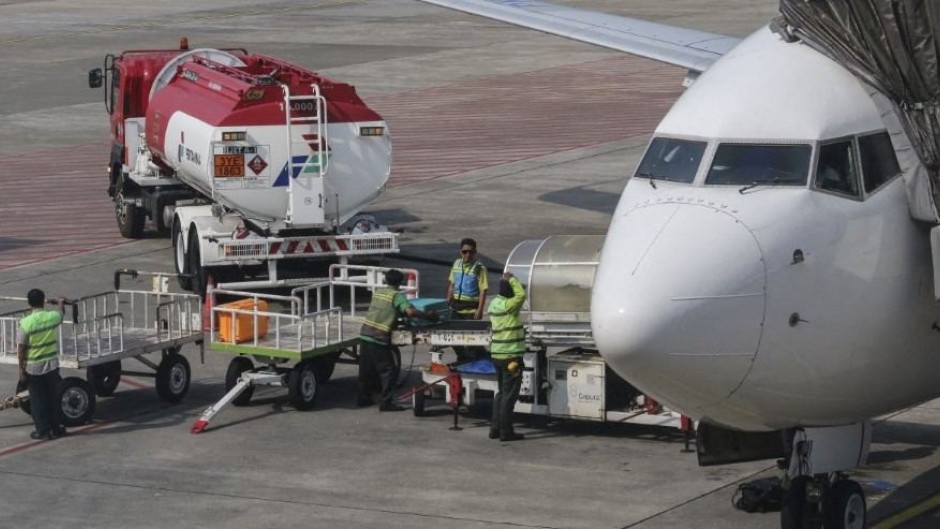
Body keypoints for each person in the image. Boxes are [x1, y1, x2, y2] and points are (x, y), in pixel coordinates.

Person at [359, 269, 438, 411]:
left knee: (366, 369)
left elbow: (384, 310)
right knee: (388, 370)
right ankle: (386, 402)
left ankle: (363, 398)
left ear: (386, 281)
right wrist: (428, 316)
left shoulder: (378, 292)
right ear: (400, 284)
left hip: (365, 334)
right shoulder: (397, 296)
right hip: (378, 336)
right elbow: (410, 312)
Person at [17, 289, 67, 440]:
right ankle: (56, 428)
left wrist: (21, 369)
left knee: (38, 400)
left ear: (29, 303)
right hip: (51, 365)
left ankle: (43, 431)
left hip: (34, 367)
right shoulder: (50, 317)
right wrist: (60, 303)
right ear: (43, 300)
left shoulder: (26, 323)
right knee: (52, 397)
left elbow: (21, 348)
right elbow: (61, 314)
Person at [487, 272, 527, 442]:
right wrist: (512, 279)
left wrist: (506, 282)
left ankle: (495, 428)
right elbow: (521, 294)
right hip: (511, 356)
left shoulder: (494, 303)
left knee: (501, 393)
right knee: (509, 396)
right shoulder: (509, 306)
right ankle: (506, 431)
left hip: (497, 354)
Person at [446, 238, 489, 360]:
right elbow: (452, 285)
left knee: (472, 341)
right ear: (460, 252)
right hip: (455, 309)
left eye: (471, 252)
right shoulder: (456, 264)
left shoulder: (480, 268)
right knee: (453, 339)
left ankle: (479, 359)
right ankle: (463, 358)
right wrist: (447, 302)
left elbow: (483, 290)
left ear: (475, 252)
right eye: (465, 252)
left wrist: (480, 310)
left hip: (470, 312)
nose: (468, 255)